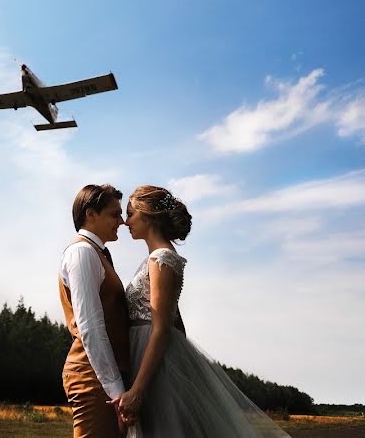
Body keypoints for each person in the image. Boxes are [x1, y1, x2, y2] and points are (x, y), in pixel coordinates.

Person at [112, 185, 290, 437]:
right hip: (153, 355)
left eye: (130, 214)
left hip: (151, 355)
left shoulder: (160, 259)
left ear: (148, 214)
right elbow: (176, 322)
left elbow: (162, 328)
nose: (125, 221)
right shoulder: (159, 257)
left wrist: (138, 390)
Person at [59, 184, 132, 438]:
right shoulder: (82, 253)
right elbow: (90, 326)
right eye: (114, 214)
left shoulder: (97, 253)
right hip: (93, 379)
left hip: (103, 377)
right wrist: (116, 391)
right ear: (91, 214)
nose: (122, 221)